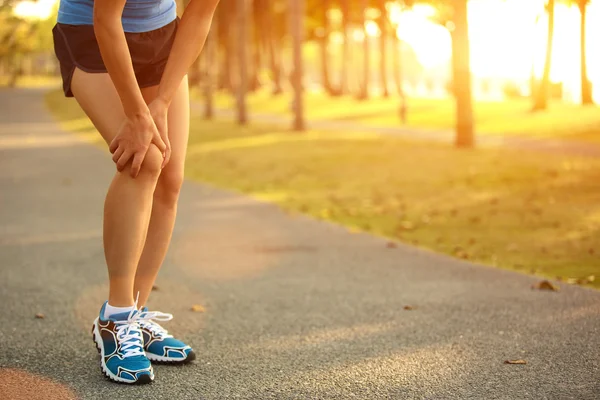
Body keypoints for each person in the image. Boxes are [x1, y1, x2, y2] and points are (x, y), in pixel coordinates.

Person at [52, 0, 219, 384]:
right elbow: (106, 18)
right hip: (93, 38)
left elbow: (199, 15)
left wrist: (161, 102)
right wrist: (138, 114)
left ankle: (136, 314)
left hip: (161, 38)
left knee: (170, 177)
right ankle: (116, 318)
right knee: (143, 161)